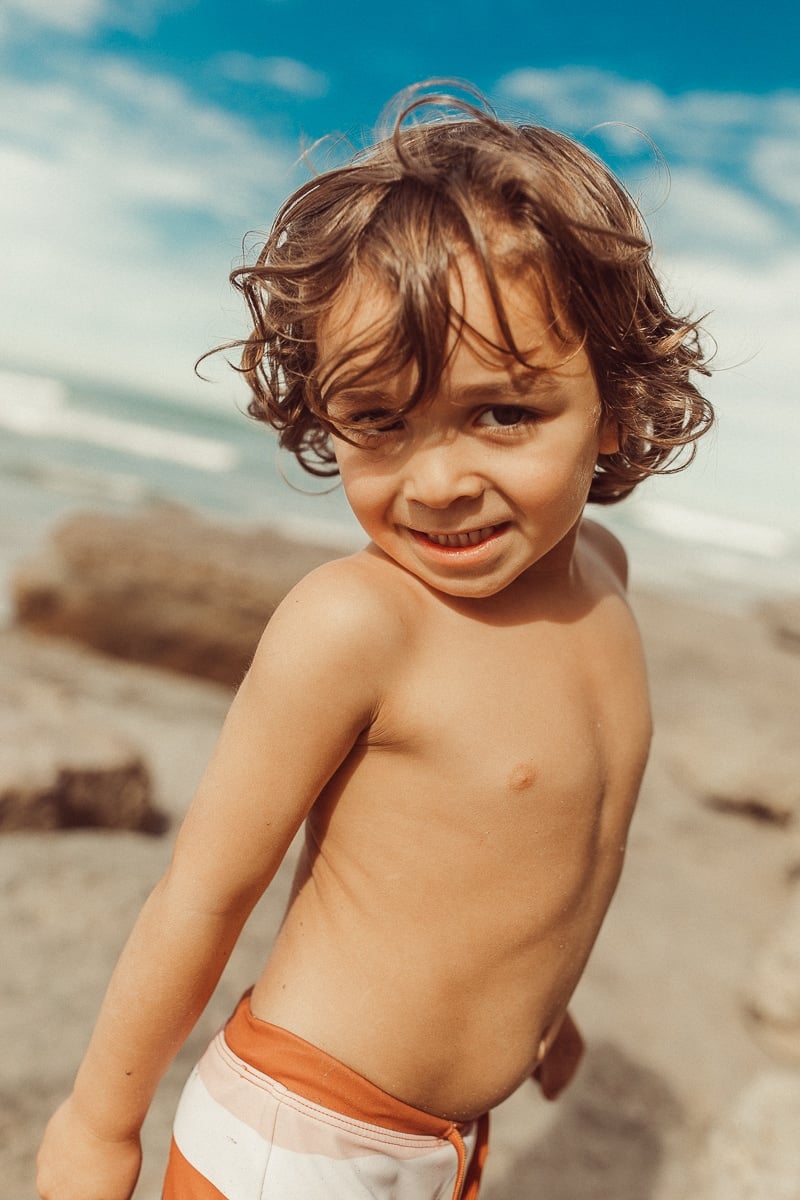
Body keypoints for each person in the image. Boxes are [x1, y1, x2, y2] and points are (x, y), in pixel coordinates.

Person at [36, 84, 713, 1200]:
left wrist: (547, 1008)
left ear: (613, 390)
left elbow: (541, 843)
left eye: (504, 413)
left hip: (446, 1144)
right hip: (297, 1144)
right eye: (381, 422)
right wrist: (99, 1124)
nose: (439, 481)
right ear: (324, 415)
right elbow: (200, 896)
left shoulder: (605, 575)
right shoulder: (358, 623)